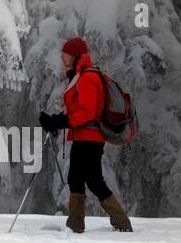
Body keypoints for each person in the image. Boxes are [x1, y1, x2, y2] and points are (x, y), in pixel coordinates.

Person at [39, 37, 132, 232]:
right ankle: (75, 224)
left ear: (73, 55)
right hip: (83, 136)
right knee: (76, 178)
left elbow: (87, 112)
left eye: (64, 54)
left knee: (94, 180)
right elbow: (77, 110)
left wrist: (61, 121)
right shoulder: (79, 75)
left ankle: (121, 222)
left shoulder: (88, 77)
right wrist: (56, 120)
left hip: (90, 138)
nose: (62, 57)